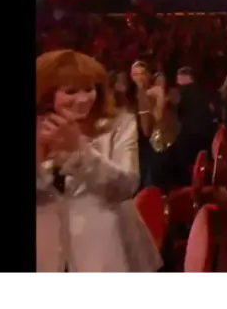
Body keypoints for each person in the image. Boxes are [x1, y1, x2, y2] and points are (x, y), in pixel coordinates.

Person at [36, 50, 162, 274]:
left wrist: (79, 152)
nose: (83, 98)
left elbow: (127, 186)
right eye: (71, 91)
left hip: (108, 249)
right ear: (48, 94)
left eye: (89, 89)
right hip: (48, 249)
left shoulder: (120, 124)